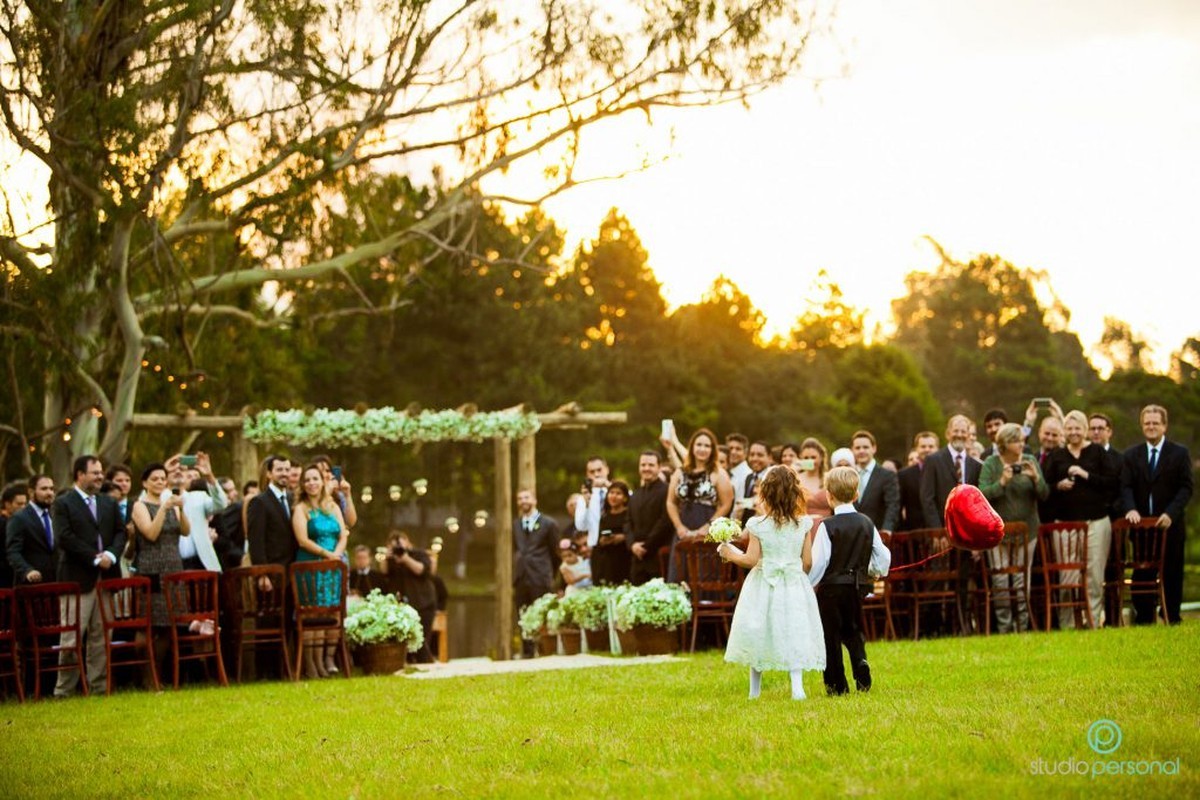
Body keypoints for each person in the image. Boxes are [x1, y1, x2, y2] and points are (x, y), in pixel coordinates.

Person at [717, 465, 825, 700]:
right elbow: (807, 561)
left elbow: (751, 559)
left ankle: (754, 690)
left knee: (759, 629)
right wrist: (796, 574)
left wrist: (730, 553)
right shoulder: (803, 524)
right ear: (795, 493)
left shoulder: (758, 525)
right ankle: (797, 687)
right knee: (794, 629)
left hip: (763, 584)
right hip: (794, 583)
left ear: (764, 493)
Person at [808, 466, 891, 695]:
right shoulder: (866, 522)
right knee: (854, 631)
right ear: (856, 495)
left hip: (831, 589)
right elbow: (883, 556)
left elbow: (820, 562)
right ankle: (860, 663)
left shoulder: (827, 526)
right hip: (856, 588)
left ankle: (837, 685)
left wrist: (808, 586)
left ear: (829, 496)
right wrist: (875, 571)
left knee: (830, 636)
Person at [52, 455, 127, 696]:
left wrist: (112, 556)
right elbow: (64, 537)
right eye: (94, 472)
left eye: (100, 472)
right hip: (77, 578)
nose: (99, 476)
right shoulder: (63, 503)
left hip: (106, 579)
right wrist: (95, 557)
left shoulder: (108, 503)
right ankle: (64, 690)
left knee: (101, 636)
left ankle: (98, 687)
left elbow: (121, 533)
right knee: (71, 637)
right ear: (79, 474)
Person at [1044, 410, 1119, 628]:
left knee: (1094, 575)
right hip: (1065, 524)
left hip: (1096, 521)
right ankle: (1068, 624)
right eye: (1070, 428)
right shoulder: (1055, 456)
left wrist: (1086, 475)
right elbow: (1043, 490)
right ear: (1064, 431)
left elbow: (1112, 483)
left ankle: (1093, 621)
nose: (1074, 432)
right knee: (1067, 577)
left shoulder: (1097, 453)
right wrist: (1058, 485)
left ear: (1085, 430)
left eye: (1078, 428)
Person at [1119, 404, 1193, 625]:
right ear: (1142, 426)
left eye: (1155, 423)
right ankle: (1144, 619)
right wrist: (1130, 508)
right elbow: (1126, 486)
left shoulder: (1179, 453)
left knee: (1172, 573)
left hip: (1170, 525)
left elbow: (1186, 488)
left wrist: (1171, 513)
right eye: (1147, 423)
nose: (1151, 427)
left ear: (1164, 426)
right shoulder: (1131, 455)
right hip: (1142, 528)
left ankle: (1171, 616)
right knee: (1142, 574)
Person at [979, 423, 1049, 633]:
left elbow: (1044, 494)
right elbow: (982, 494)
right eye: (1017, 440)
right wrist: (1002, 482)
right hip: (998, 534)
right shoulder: (991, 464)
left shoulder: (1030, 461)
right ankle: (1004, 627)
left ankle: (1022, 625)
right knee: (1000, 579)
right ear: (1005, 443)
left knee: (1021, 580)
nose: (1022, 444)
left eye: (1022, 440)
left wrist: (1036, 479)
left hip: (1028, 531)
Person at [130, 462, 192, 668]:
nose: (159, 482)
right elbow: (151, 533)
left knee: (169, 624)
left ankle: (158, 673)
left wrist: (181, 509)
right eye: (154, 479)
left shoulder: (170, 504)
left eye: (162, 479)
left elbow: (185, 531)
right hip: (151, 569)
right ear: (145, 482)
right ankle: (144, 674)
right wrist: (163, 509)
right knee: (148, 624)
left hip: (173, 567)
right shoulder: (140, 505)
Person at [292, 464, 350, 677]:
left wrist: (337, 555)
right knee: (313, 614)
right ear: (302, 485)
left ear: (322, 481)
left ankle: (328, 660)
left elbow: (343, 533)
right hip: (311, 566)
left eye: (315, 478)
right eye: (307, 480)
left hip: (333, 567)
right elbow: (302, 540)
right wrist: (327, 556)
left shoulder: (332, 506)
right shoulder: (301, 509)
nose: (311, 483)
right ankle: (312, 664)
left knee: (333, 611)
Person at [665, 428, 733, 581]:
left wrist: (708, 526)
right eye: (699, 445)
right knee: (680, 571)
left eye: (707, 446)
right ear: (692, 447)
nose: (702, 449)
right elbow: (671, 502)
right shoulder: (680, 472)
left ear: (712, 449)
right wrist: (679, 527)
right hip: (683, 527)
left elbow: (726, 504)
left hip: (708, 526)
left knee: (704, 574)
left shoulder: (719, 473)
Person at [513, 489, 559, 657]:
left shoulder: (549, 524)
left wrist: (549, 574)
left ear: (534, 500)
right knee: (523, 616)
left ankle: (546, 651)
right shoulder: (516, 524)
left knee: (542, 615)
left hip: (541, 577)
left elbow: (556, 554)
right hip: (521, 577)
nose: (523, 501)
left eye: (526, 497)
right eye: (519, 498)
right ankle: (527, 653)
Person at [383, 530, 438, 663]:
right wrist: (387, 557)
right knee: (404, 643)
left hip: (424, 603)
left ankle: (427, 664)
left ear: (408, 542)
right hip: (402, 606)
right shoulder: (392, 559)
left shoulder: (419, 554)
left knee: (422, 642)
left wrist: (406, 558)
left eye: (401, 543)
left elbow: (421, 570)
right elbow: (384, 572)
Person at [247, 455, 298, 582]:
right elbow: (256, 542)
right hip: (272, 573)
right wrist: (262, 574)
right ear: (269, 473)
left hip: (294, 571)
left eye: (287, 470)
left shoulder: (294, 499)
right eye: (279, 470)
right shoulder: (259, 502)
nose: (284, 474)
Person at [627, 451, 674, 585]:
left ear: (659, 467)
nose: (646, 468)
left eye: (651, 465)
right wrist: (632, 545)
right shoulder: (635, 494)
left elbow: (665, 521)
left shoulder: (667, 491)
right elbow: (627, 522)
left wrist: (646, 546)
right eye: (643, 465)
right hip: (637, 557)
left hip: (658, 555)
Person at [850, 429, 900, 536]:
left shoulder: (887, 475)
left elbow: (892, 505)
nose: (861, 451)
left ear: (874, 448)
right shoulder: (848, 475)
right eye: (857, 448)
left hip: (878, 535)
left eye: (865, 447)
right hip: (851, 535)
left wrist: (887, 529)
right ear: (852, 450)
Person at [7, 476, 52, 585]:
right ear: (31, 492)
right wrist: (27, 570)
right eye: (44, 489)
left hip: (54, 583)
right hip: (31, 586)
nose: (50, 493)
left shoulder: (54, 515)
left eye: (51, 489)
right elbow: (13, 552)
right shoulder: (19, 518)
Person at [591, 480, 631, 585]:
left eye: (618, 493)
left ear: (625, 497)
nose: (614, 496)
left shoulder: (629, 514)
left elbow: (634, 533)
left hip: (624, 558)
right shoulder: (605, 516)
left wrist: (622, 537)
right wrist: (603, 540)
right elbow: (600, 537)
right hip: (607, 560)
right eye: (611, 493)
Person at [897, 431, 938, 531]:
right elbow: (898, 507)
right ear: (916, 449)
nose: (927, 449)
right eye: (923, 446)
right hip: (913, 533)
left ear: (937, 448)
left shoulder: (945, 471)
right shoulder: (904, 475)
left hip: (941, 532)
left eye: (931, 446)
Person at [1, 481, 29, 588]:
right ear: (7, 504)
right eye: (19, 504)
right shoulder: (4, 523)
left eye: (25, 504)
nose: (23, 507)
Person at [736, 441, 771, 525]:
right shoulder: (749, 477)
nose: (755, 458)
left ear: (769, 457)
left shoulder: (773, 478)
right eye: (752, 455)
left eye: (760, 455)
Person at [796, 438, 832, 518]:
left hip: (826, 525)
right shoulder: (796, 479)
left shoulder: (829, 478)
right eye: (806, 458)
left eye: (813, 457)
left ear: (821, 458)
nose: (810, 461)